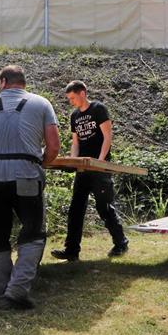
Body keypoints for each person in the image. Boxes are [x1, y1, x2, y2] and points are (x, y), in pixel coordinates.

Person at [0, 65, 60, 311]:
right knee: (32, 232)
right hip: (26, 176)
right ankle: (17, 291)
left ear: (2, 81)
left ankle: (1, 292)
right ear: (23, 82)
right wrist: (36, 162)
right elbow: (53, 147)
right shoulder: (42, 104)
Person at [51, 80, 128, 261]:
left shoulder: (98, 109)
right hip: (83, 168)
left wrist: (101, 162)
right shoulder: (74, 116)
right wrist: (73, 162)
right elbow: (76, 142)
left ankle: (121, 242)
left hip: (99, 167)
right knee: (75, 208)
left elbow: (108, 136)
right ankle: (71, 251)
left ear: (83, 93)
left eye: (73, 98)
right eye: (69, 99)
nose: (71, 102)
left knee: (104, 208)